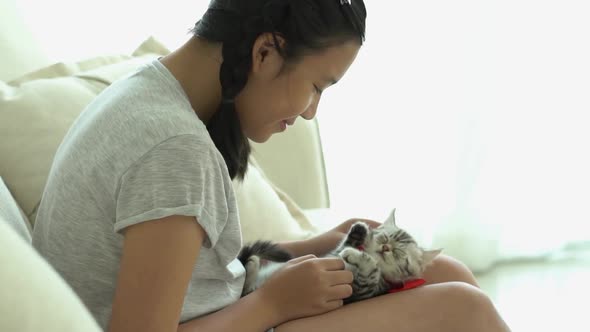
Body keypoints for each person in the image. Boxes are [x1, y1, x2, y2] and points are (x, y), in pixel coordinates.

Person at [32, 0, 510, 331]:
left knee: (446, 271)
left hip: (223, 313)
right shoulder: (173, 147)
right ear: (265, 51)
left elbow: (182, 269)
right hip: (238, 319)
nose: (310, 112)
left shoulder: (146, 96)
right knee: (462, 310)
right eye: (318, 86)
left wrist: (314, 245)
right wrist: (273, 303)